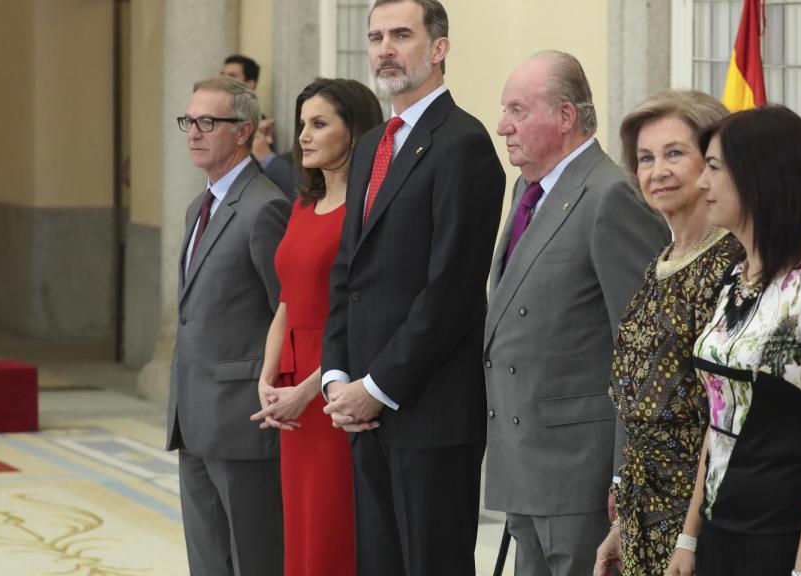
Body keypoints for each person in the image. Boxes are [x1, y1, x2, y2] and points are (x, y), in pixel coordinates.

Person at [319, 1, 505, 574]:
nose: (385, 49)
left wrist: (377, 385)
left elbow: (449, 292)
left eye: (402, 35)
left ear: (439, 48)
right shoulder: (374, 141)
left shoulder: (463, 144)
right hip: (363, 410)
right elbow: (348, 272)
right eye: (376, 37)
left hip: (428, 412)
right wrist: (335, 378)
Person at [483, 51, 668, 576]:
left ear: (564, 117)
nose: (503, 125)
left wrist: (623, 478)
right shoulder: (529, 189)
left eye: (517, 110)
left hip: (580, 476)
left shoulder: (611, 196)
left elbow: (642, 351)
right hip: (525, 464)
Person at [665, 105, 801, 576]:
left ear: (759, 176)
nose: (701, 184)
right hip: (721, 537)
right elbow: (720, 422)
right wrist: (689, 537)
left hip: (787, 545)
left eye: (713, 168)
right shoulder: (736, 276)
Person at [592, 91, 743, 576]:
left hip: (700, 520)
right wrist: (621, 524)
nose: (657, 170)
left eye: (674, 153)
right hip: (641, 518)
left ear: (713, 163)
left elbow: (724, 418)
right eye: (645, 158)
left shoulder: (734, 267)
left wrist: (689, 536)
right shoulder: (661, 261)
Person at [249, 78, 383, 576]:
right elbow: (286, 300)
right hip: (288, 389)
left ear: (355, 133)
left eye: (320, 124)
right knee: (300, 534)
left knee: (332, 532)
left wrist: (309, 390)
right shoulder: (303, 204)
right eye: (303, 123)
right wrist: (266, 380)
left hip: (333, 387)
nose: (303, 135)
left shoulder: (365, 212)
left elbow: (362, 318)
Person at [166, 76, 291, 576]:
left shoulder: (265, 208)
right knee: (207, 561)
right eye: (189, 121)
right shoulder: (201, 206)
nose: (194, 132)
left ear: (243, 131)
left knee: (254, 561)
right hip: (193, 416)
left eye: (208, 122)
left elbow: (288, 312)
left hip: (242, 421)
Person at [222, 54, 298, 199]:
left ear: (250, 84)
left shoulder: (260, 126)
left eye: (232, 76)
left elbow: (264, 177)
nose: (224, 81)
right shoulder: (222, 119)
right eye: (222, 75)